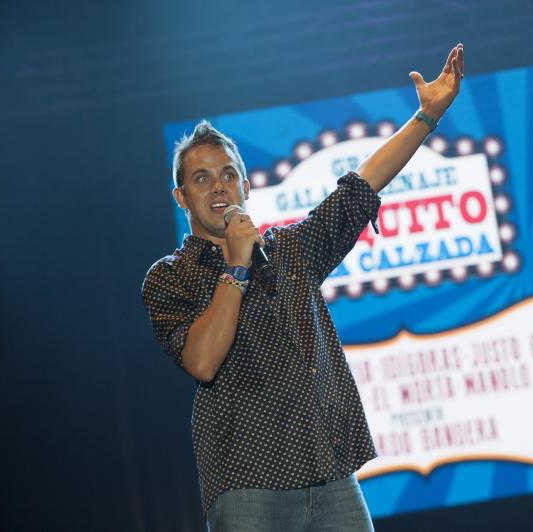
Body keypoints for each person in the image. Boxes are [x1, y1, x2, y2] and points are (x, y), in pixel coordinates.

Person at [142, 44, 464, 531]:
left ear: (247, 187)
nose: (219, 187)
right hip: (247, 479)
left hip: (329, 472)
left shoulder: (290, 249)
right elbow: (203, 361)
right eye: (201, 178)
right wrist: (235, 267)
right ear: (180, 196)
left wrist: (425, 116)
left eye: (229, 174)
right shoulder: (170, 276)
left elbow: (361, 185)